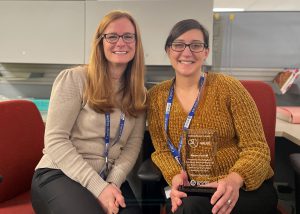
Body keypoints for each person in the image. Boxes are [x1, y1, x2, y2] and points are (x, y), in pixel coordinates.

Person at [147, 19, 278, 214]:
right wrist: (175, 175)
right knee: (185, 206)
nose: (187, 52)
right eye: (179, 44)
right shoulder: (157, 96)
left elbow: (257, 149)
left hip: (244, 188)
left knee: (188, 209)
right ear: (168, 51)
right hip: (193, 190)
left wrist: (234, 179)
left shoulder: (229, 88)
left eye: (196, 45)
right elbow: (162, 151)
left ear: (206, 52)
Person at [31, 10, 146, 214]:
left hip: (109, 179)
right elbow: (56, 140)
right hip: (60, 173)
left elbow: (132, 146)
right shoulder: (75, 79)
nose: (121, 42)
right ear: (100, 42)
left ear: (136, 43)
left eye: (128, 36)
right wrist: (99, 188)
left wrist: (112, 184)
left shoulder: (139, 93)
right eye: (112, 36)